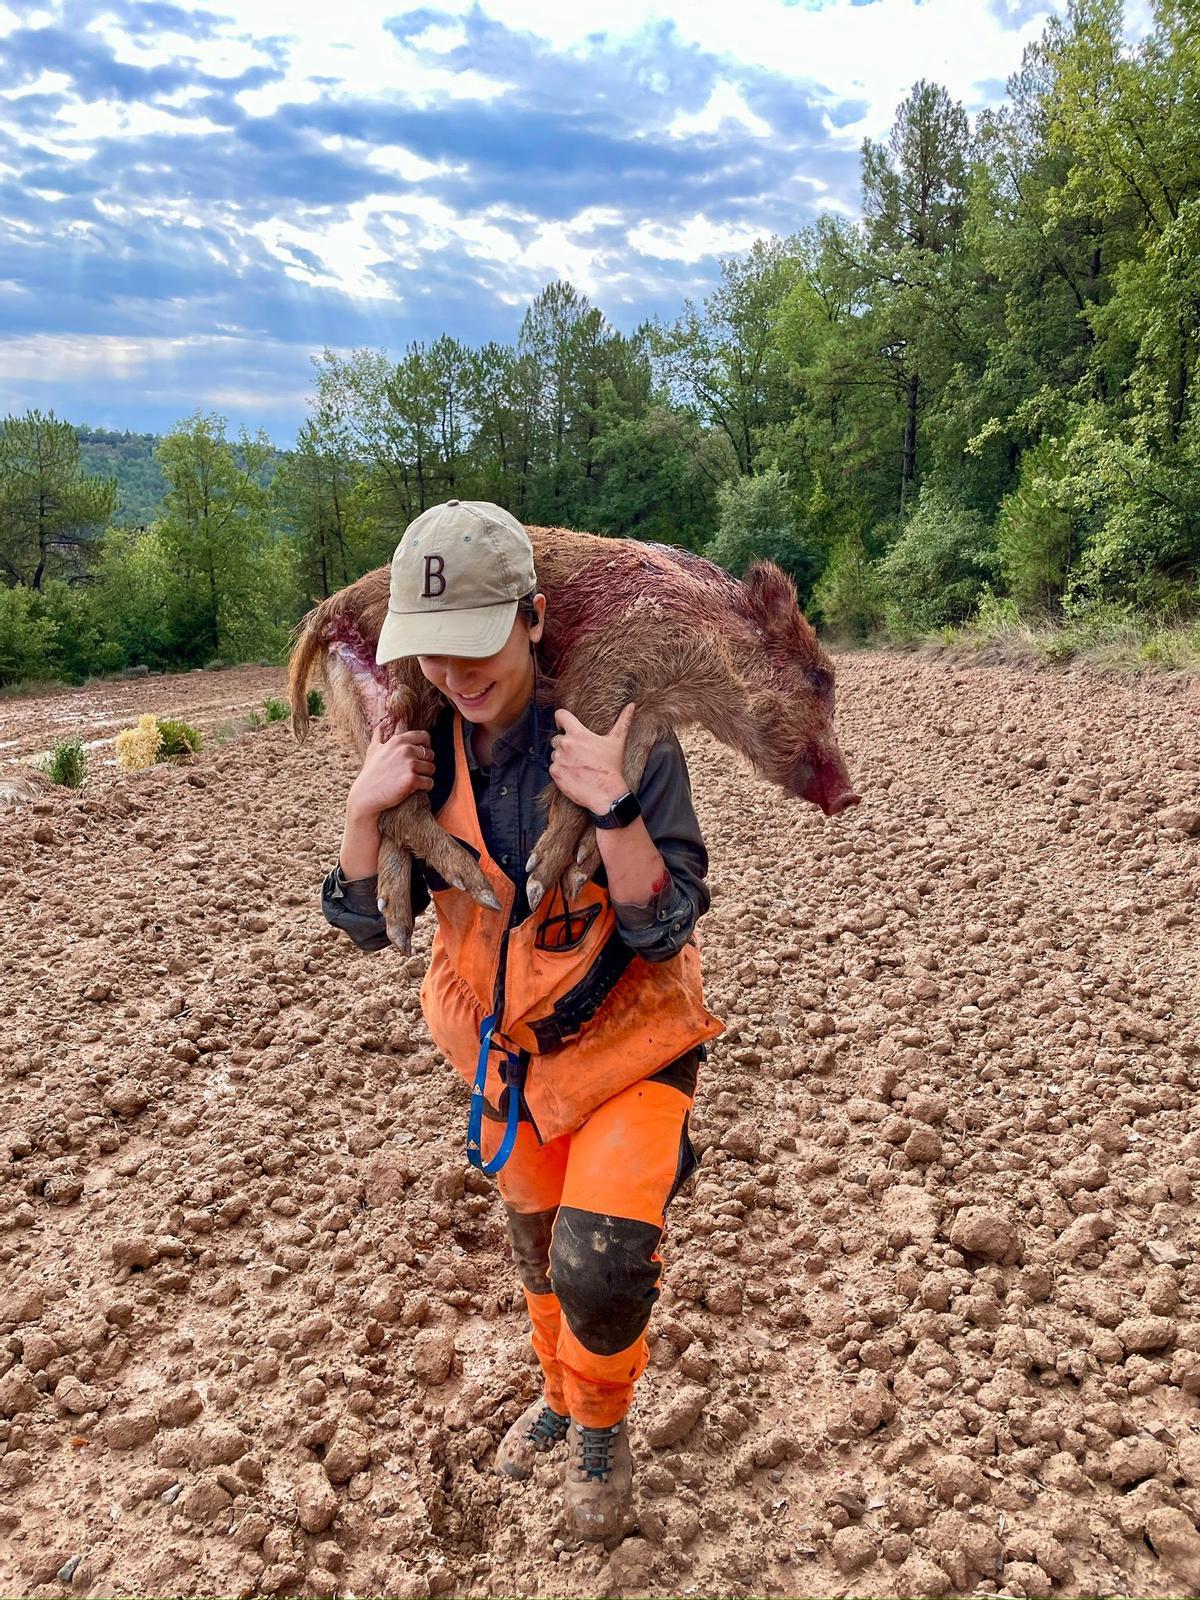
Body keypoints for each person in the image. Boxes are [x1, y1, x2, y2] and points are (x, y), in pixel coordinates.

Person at [321, 500, 723, 1538]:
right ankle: (554, 1394)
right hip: (509, 1051)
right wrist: (364, 814)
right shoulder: (416, 753)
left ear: (534, 620)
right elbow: (367, 927)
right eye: (433, 652)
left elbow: (667, 924)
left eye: (478, 644)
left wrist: (613, 807)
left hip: (630, 1036)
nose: (456, 673)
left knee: (600, 1264)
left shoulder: (620, 737)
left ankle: (599, 1424)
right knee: (539, 1246)